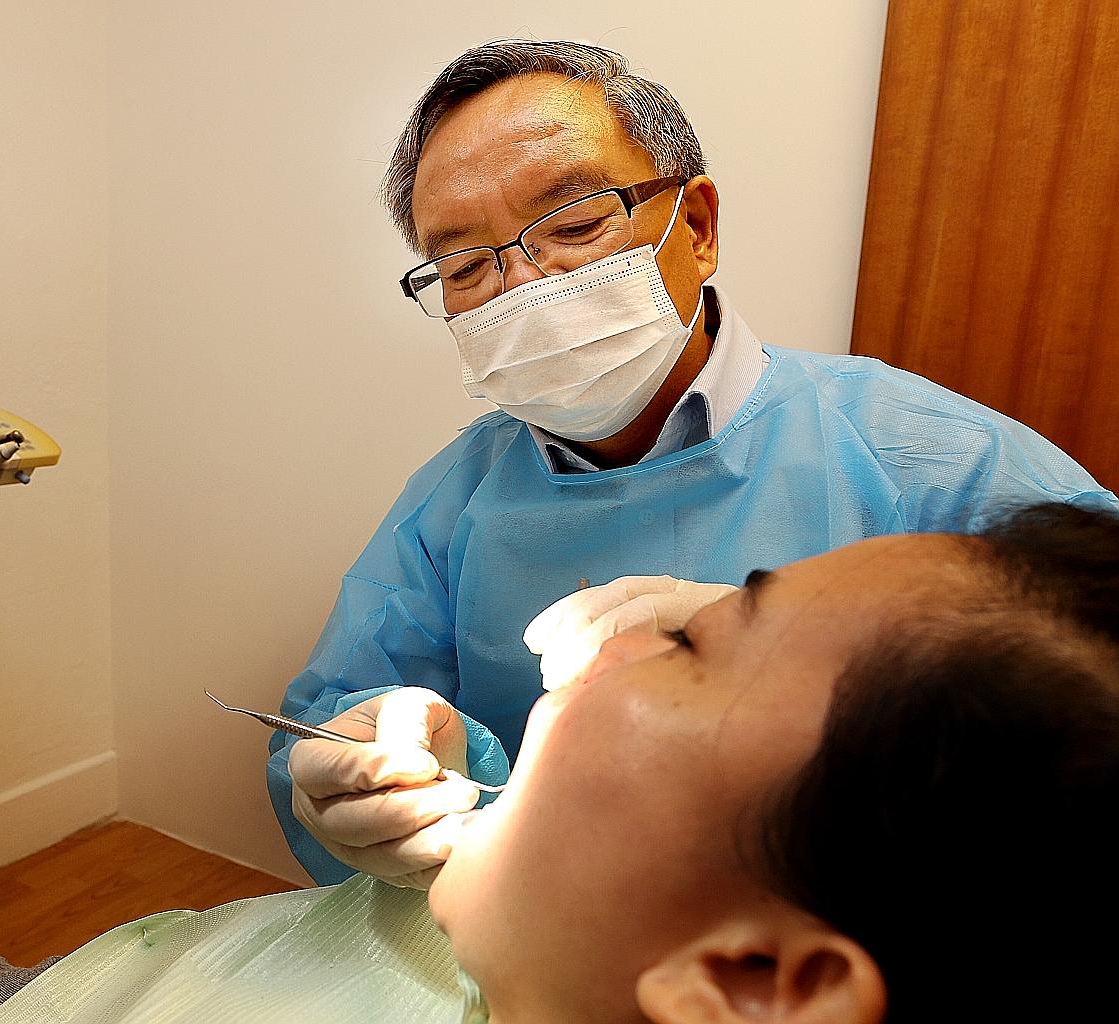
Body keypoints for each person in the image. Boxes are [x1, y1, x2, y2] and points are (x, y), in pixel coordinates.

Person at [0, 502, 1116, 1022]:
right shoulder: (532, 946)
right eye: (457, 258)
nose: (597, 636)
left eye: (706, 641)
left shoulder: (955, 498)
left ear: (759, 984)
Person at [270, 37, 1119, 886]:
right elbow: (325, 722)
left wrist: (823, 669)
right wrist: (362, 773)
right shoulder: (455, 503)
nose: (525, 286)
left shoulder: (925, 457)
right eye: (462, 266)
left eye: (573, 224)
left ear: (698, 227)